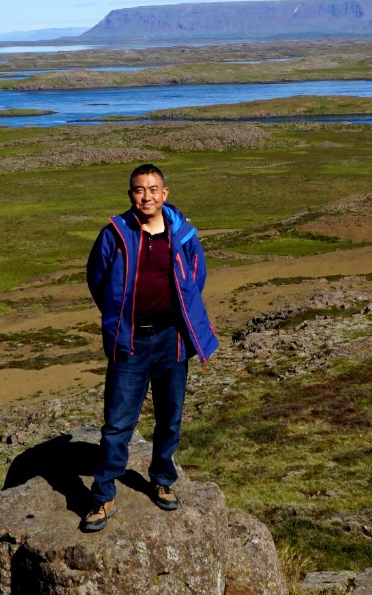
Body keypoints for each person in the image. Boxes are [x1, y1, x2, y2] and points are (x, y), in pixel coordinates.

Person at [80, 163, 219, 533]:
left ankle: (162, 478)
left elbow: (196, 277)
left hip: (171, 338)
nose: (147, 196)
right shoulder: (115, 233)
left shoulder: (184, 234)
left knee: (169, 416)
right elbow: (97, 278)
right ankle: (104, 494)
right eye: (140, 190)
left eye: (154, 189)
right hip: (131, 341)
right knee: (118, 422)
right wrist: (118, 313)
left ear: (165, 193)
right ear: (131, 195)